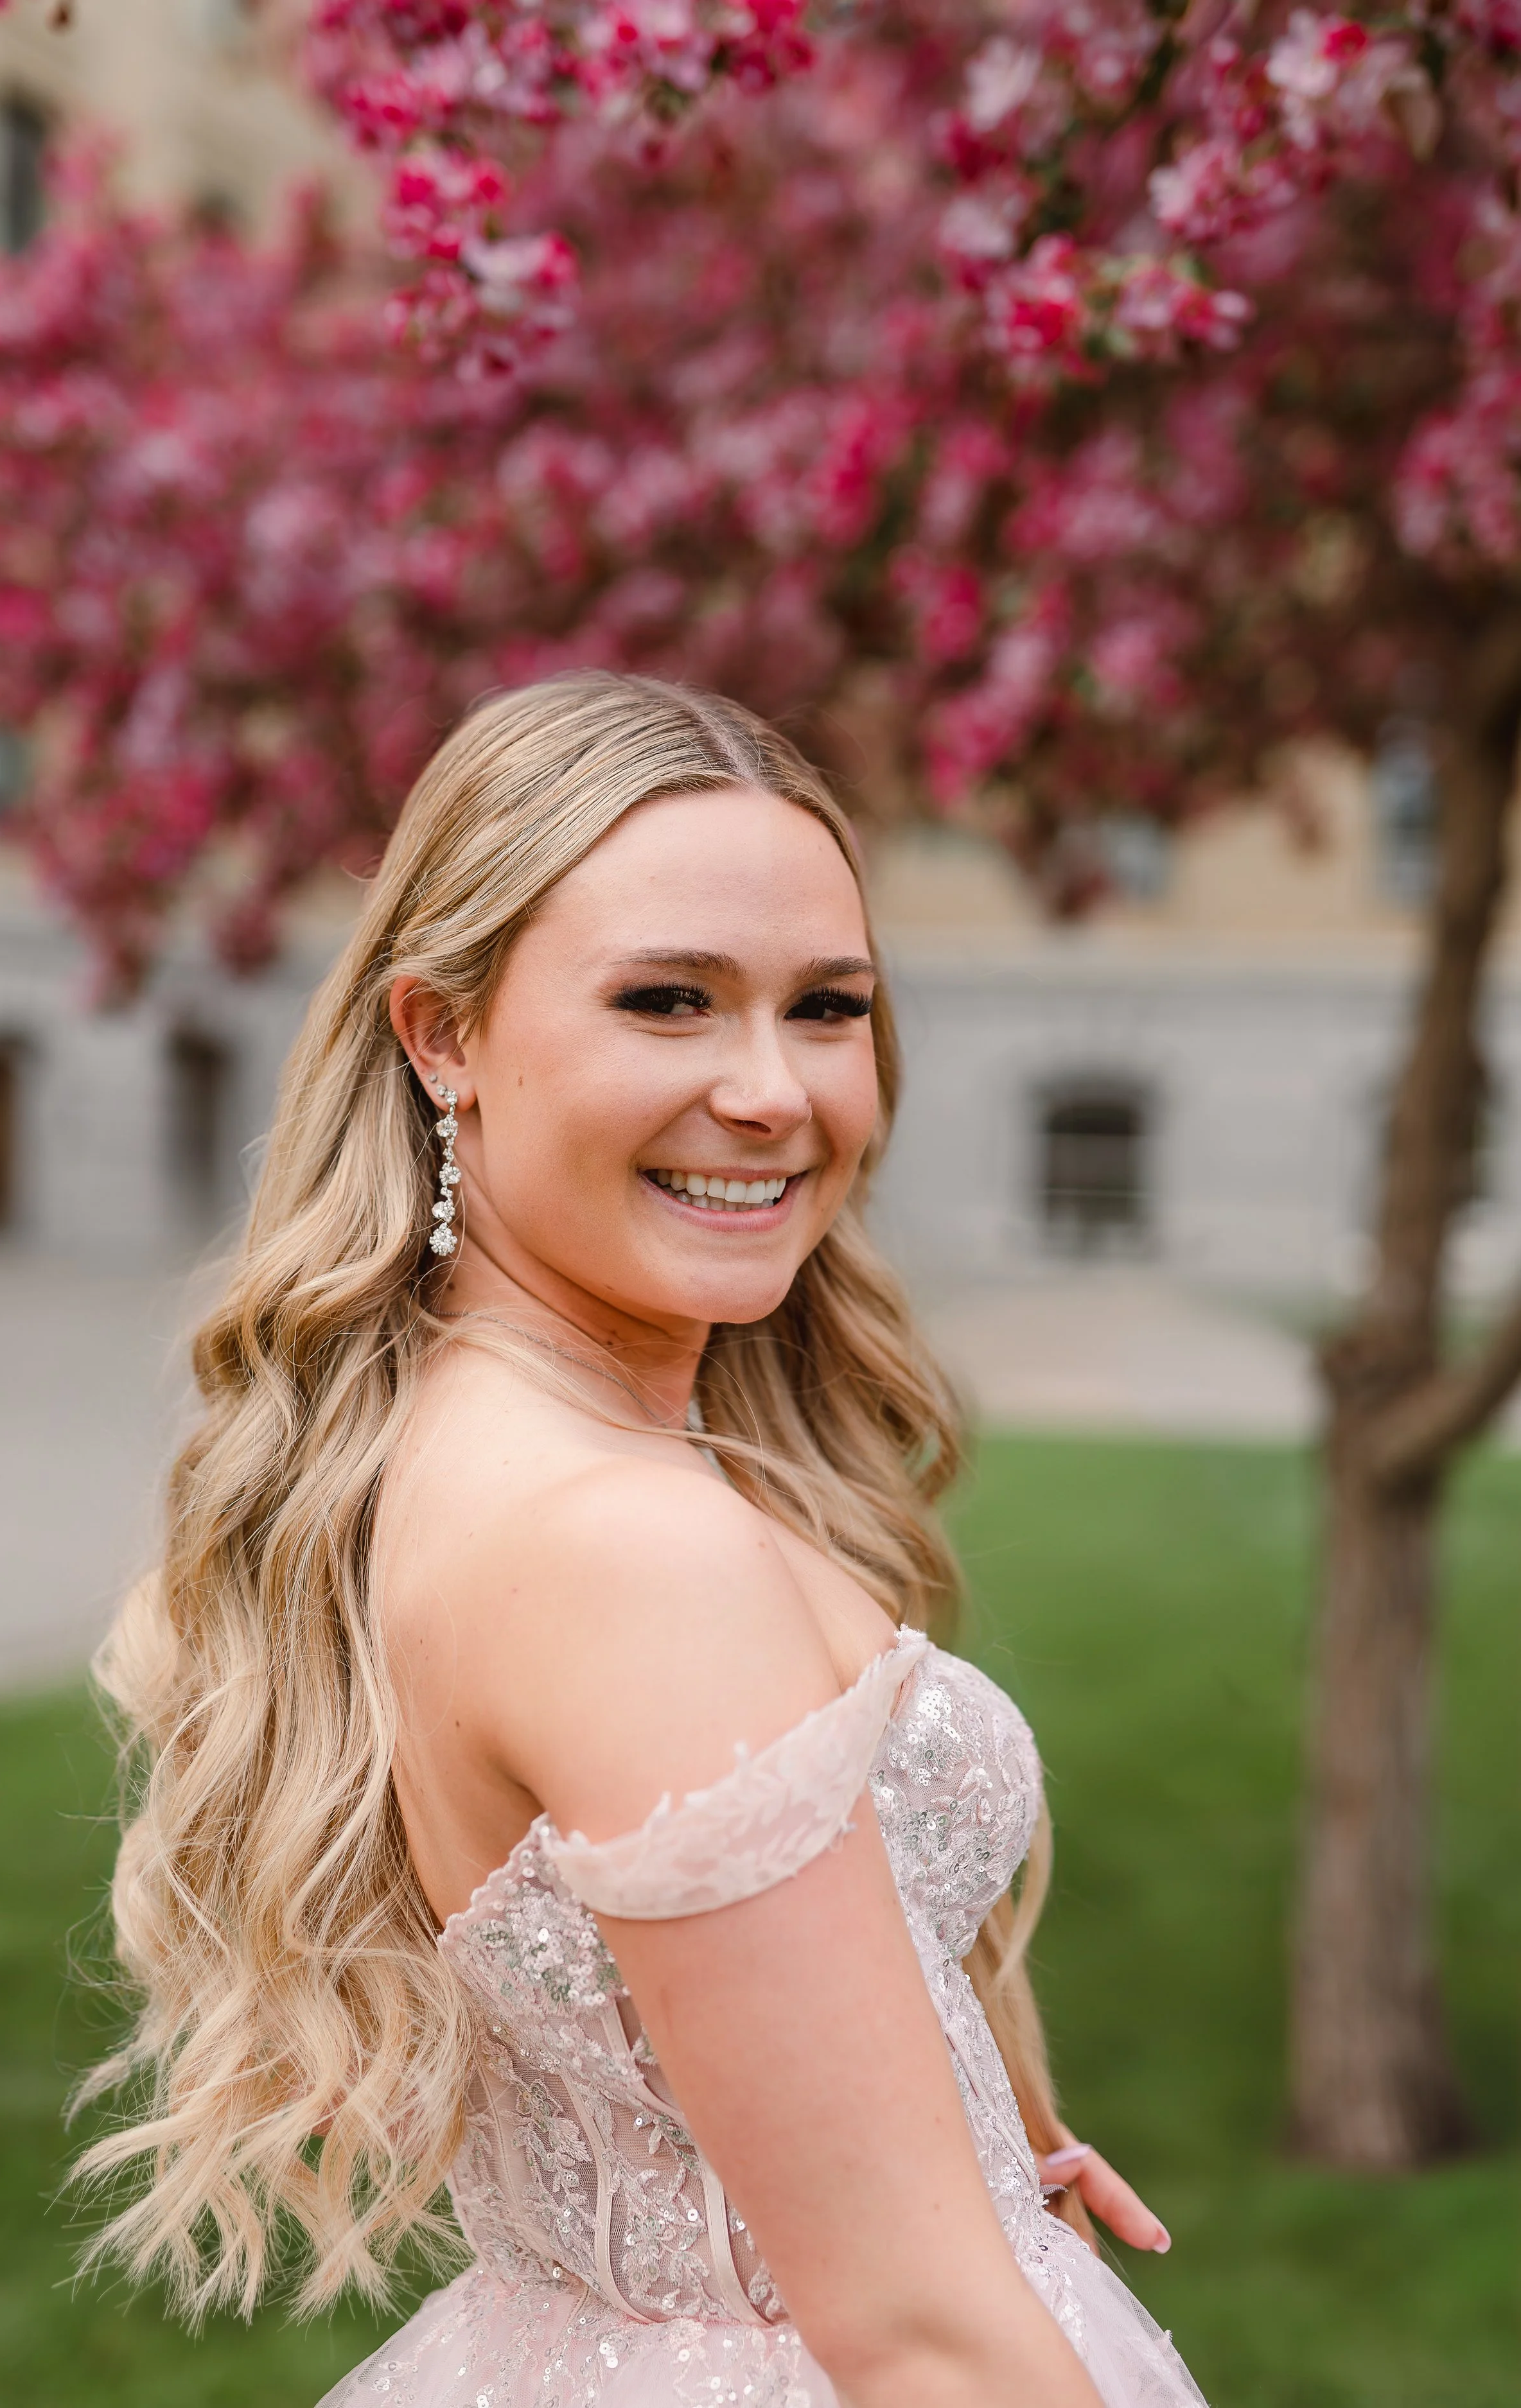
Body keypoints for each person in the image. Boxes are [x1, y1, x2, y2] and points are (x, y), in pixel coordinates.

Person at [79, 672, 1208, 2408]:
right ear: (439, 1032)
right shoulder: (625, 1548)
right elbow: (912, 2337)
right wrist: (949, 2266)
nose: (770, 1092)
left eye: (824, 1007)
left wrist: (963, 2149)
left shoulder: (467, 1446)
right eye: (667, 1000)